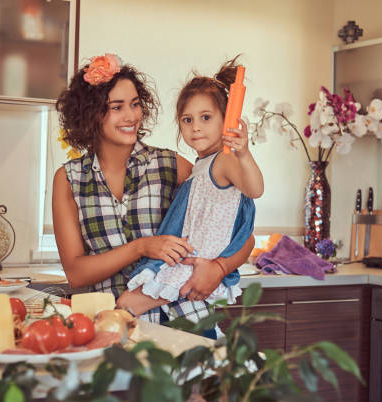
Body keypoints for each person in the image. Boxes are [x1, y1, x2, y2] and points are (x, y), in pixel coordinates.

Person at [52, 53, 254, 333]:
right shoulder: (69, 179)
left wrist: (219, 268)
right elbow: (76, 273)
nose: (131, 116)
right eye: (117, 107)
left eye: (135, 104)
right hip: (115, 327)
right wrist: (142, 246)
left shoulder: (170, 166)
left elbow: (242, 233)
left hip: (188, 320)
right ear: (90, 114)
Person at [123, 57, 263, 312]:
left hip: (193, 264)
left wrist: (244, 154)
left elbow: (255, 190)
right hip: (190, 260)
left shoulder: (224, 160)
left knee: (125, 305)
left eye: (206, 117)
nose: (195, 127)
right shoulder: (201, 164)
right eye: (187, 120)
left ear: (226, 119)